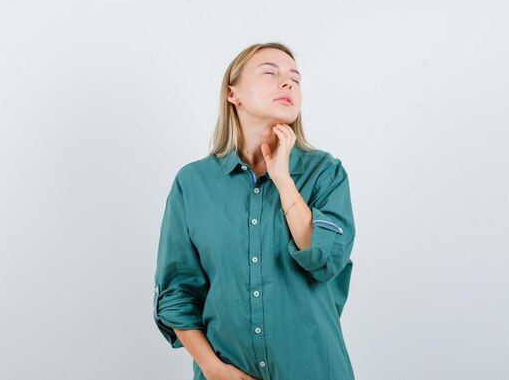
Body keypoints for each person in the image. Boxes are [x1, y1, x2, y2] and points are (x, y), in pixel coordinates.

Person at [153, 42, 356, 380]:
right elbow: (177, 292)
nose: (287, 83)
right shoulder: (193, 184)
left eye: (295, 78)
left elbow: (323, 258)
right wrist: (213, 368)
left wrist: (283, 179)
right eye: (270, 73)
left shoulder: (325, 173)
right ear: (234, 95)